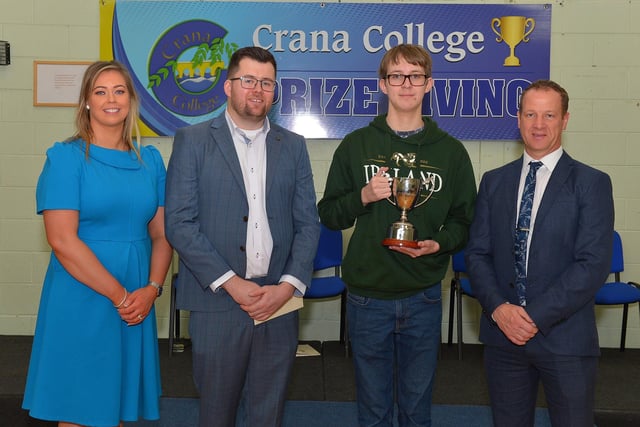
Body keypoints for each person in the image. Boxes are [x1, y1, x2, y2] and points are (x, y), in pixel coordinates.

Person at [318, 44, 477, 427]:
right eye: (397, 76)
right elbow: (328, 214)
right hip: (367, 296)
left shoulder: (452, 153)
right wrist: (363, 196)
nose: (406, 84)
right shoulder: (356, 145)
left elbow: (465, 222)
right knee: (372, 409)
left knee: (416, 409)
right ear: (383, 85)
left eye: (415, 76)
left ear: (429, 85)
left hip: (422, 295)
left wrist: (440, 243)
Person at [164, 46, 320, 427]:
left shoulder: (294, 146)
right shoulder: (193, 141)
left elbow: (308, 224)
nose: (258, 90)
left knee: (267, 414)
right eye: (248, 80)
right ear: (227, 86)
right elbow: (180, 223)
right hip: (218, 301)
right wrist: (232, 283)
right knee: (216, 413)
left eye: (267, 83)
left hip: (277, 304)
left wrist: (287, 287)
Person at [22, 60, 173, 427]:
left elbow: (163, 235)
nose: (111, 99)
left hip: (137, 296)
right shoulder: (66, 158)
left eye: (119, 91)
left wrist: (152, 289)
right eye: (100, 91)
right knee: (79, 405)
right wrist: (119, 295)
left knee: (117, 403)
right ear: (87, 101)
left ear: (131, 100)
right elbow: (61, 240)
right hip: (83, 291)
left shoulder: (150, 161)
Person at [465, 80, 614, 427]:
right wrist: (500, 310)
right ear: (518, 118)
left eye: (549, 115)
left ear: (565, 120)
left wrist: (532, 317)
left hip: (565, 339)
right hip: (504, 340)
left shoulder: (591, 183)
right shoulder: (493, 181)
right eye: (530, 114)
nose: (539, 124)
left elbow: (592, 264)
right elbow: (477, 254)